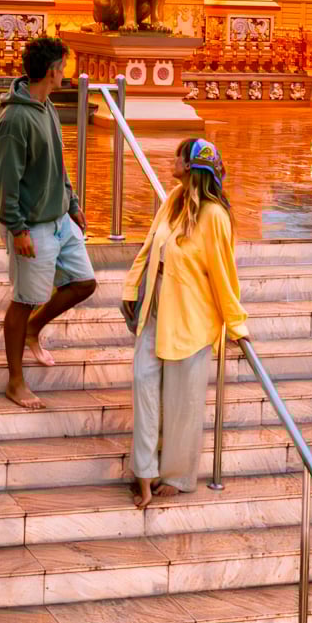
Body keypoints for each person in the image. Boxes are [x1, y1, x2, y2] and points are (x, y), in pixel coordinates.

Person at [122, 137, 248, 509]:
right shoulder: (173, 200)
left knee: (182, 403)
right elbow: (149, 248)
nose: (172, 160)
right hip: (155, 312)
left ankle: (176, 475)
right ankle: (144, 473)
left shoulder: (215, 217)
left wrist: (236, 325)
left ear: (192, 165)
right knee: (144, 388)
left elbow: (224, 276)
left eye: (179, 155)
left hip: (191, 320)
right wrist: (131, 287)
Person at [0, 35, 96, 409]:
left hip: (58, 219)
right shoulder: (16, 119)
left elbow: (58, 162)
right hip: (31, 225)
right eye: (63, 68)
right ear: (51, 72)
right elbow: (3, 180)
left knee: (84, 282)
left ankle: (36, 327)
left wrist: (72, 201)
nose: (66, 74)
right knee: (23, 300)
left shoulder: (45, 105)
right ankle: (15, 381)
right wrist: (17, 229)